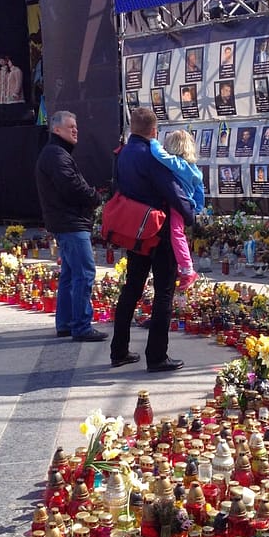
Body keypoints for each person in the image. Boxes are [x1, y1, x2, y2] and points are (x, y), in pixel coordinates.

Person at [109, 107, 194, 372]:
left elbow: (117, 187)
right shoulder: (153, 156)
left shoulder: (121, 154)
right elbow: (173, 191)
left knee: (132, 288)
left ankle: (119, 350)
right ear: (154, 131)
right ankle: (157, 356)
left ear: (133, 128)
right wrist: (191, 216)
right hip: (159, 232)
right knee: (163, 293)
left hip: (136, 231)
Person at [35, 111, 105, 342]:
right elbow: (71, 187)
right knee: (84, 273)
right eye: (70, 127)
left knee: (70, 273)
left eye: (76, 126)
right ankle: (82, 326)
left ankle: (65, 323)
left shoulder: (57, 153)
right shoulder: (56, 155)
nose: (76, 130)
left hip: (66, 221)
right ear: (56, 130)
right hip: (71, 223)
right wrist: (94, 197)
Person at [150, 130, 204, 290]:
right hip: (188, 204)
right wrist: (197, 209)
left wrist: (152, 141)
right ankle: (183, 266)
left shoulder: (178, 164)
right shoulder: (194, 169)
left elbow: (159, 155)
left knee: (176, 234)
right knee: (179, 234)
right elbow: (200, 192)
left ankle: (187, 269)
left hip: (177, 204)